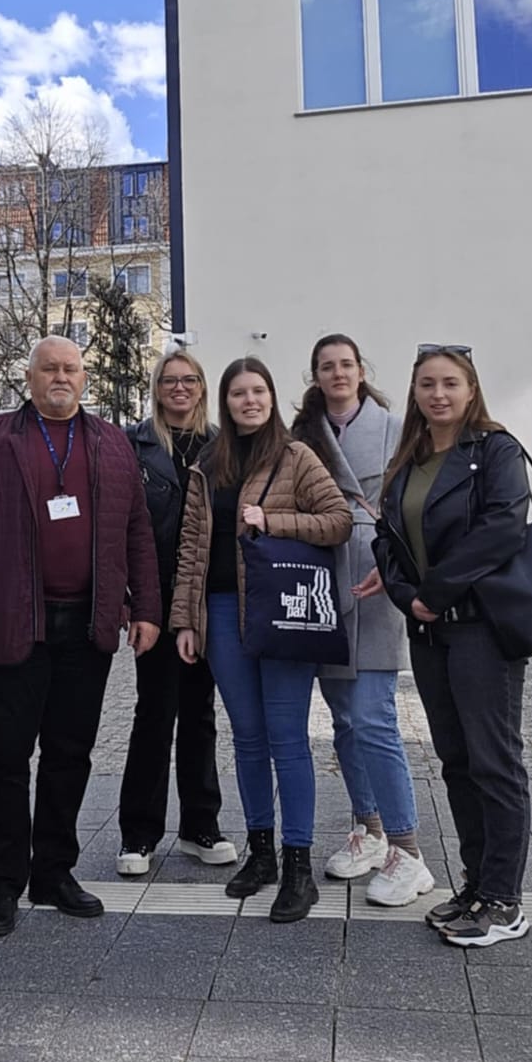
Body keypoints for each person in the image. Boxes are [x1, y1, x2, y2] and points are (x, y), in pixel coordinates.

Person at [0, 336, 162, 939]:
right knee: (5, 757)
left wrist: (147, 608)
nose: (61, 377)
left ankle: (54, 872)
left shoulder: (112, 442)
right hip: (12, 623)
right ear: (29, 376)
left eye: (71, 368)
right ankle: (4, 881)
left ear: (84, 378)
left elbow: (137, 531)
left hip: (87, 627)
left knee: (70, 754)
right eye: (49, 368)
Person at [171, 357, 352, 923]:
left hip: (283, 612)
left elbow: (339, 520)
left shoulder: (297, 456)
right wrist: (185, 620)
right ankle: (262, 852)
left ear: (272, 397)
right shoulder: (208, 462)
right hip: (222, 614)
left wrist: (275, 522)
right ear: (224, 402)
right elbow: (191, 547)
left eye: (259, 391)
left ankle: (299, 864)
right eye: (239, 393)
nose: (250, 401)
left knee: (288, 740)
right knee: (247, 738)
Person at [372, 344, 531, 947]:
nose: (438, 394)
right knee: (457, 762)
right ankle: (476, 886)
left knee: (494, 763)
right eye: (427, 384)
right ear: (414, 393)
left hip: (481, 628)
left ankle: (505, 900)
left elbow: (502, 529)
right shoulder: (410, 457)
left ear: (471, 390)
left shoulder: (494, 450)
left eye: (450, 383)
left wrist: (433, 591)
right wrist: (405, 593)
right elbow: (387, 537)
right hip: (428, 627)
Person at [291, 334, 434, 907]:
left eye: (345, 364)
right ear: (316, 375)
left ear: (360, 370)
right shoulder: (303, 435)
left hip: (377, 578)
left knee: (374, 716)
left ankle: (409, 849)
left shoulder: (397, 429)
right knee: (344, 720)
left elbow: (413, 506)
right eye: (326, 367)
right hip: (322, 579)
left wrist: (399, 566)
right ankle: (369, 831)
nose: (337, 374)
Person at [116, 350, 235, 877]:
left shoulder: (221, 446)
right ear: (156, 387)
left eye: (190, 380)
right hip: (155, 599)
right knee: (154, 714)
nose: (180, 388)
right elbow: (117, 526)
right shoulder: (132, 445)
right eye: (170, 380)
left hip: (209, 601)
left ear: (203, 388)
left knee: (201, 715)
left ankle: (200, 826)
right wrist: (128, 596)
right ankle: (139, 834)